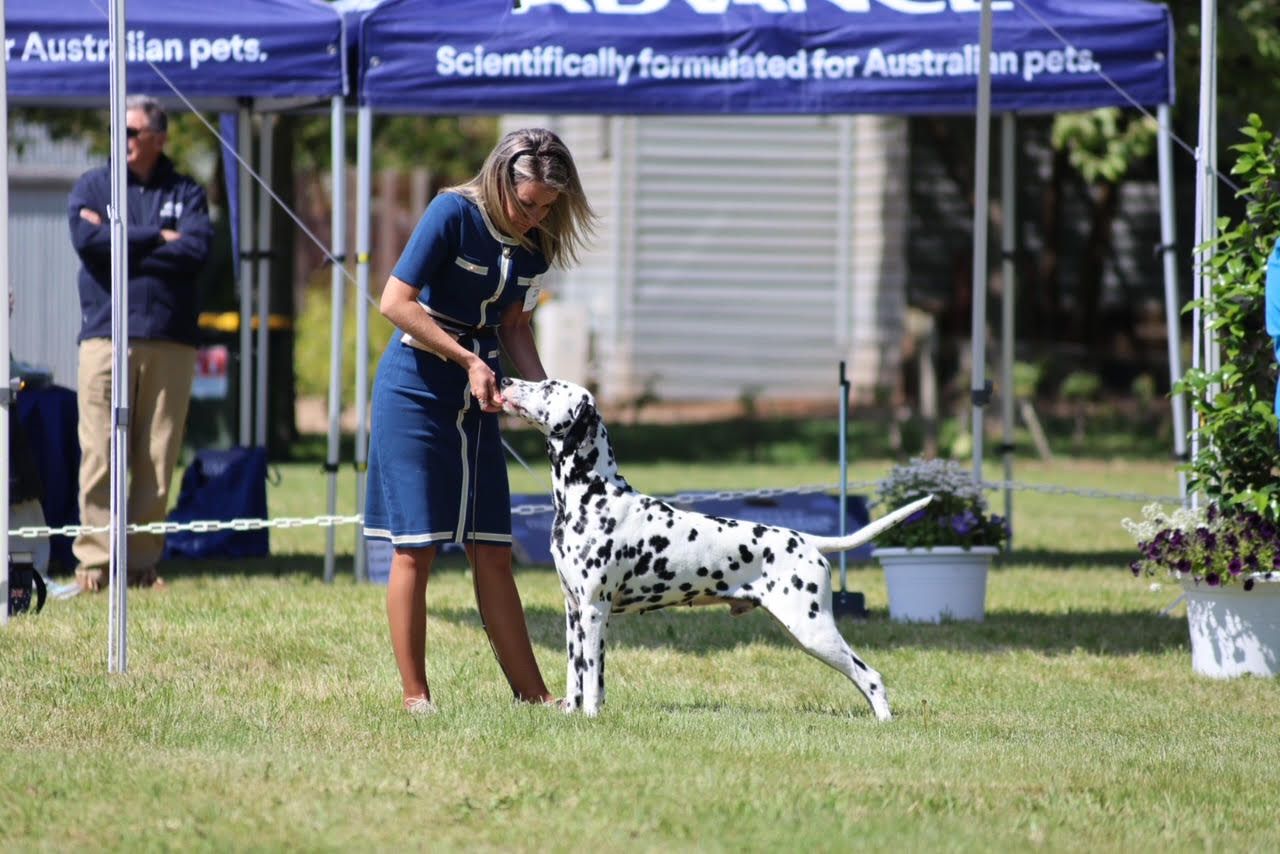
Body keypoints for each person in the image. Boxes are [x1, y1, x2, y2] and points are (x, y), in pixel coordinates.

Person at [364, 127, 596, 713]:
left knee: (492, 547)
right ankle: (416, 698)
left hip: (482, 394)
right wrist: (468, 360)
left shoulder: (538, 242)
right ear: (500, 181)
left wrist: (546, 400)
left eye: (547, 207)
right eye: (528, 203)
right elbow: (395, 302)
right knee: (416, 547)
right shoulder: (451, 213)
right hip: (415, 390)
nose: (535, 217)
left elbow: (514, 325)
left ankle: (534, 696)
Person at [68, 95, 213, 591]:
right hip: (105, 337)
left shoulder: (187, 191)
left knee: (157, 455)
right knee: (99, 451)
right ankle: (95, 562)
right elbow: (87, 244)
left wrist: (122, 241)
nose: (123, 139)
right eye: (119, 130)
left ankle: (140, 564)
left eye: (133, 132)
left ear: (159, 137)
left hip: (170, 340)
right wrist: (160, 237)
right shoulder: (94, 184)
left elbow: (197, 251)